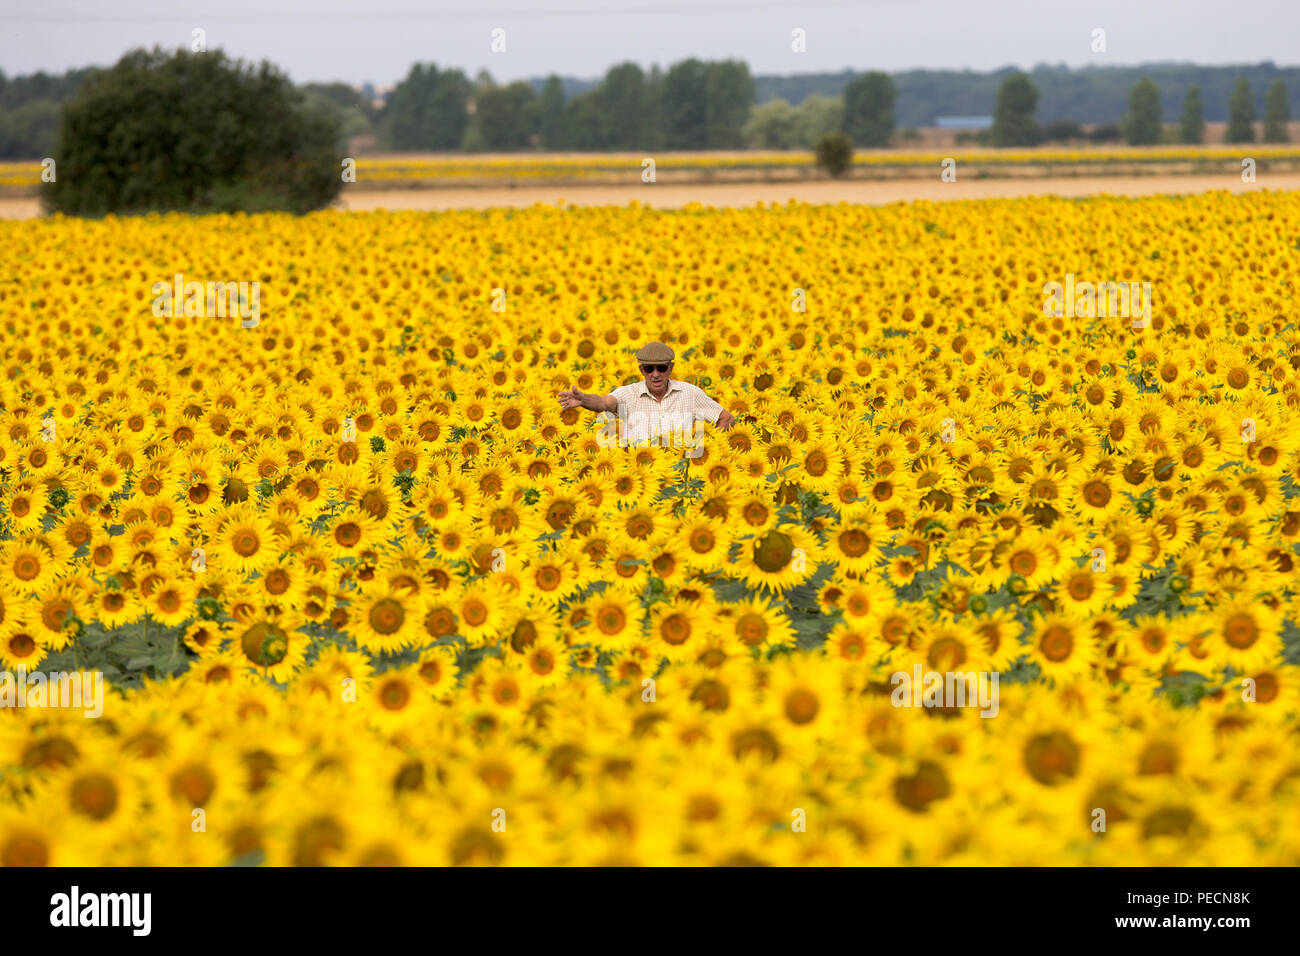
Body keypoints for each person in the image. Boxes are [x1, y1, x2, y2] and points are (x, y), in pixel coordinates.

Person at [556, 341, 735, 452]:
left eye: (661, 368)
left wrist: (708, 448)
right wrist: (584, 400)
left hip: (681, 472)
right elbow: (603, 403)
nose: (655, 374)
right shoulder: (628, 394)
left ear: (670, 369)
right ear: (642, 370)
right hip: (640, 472)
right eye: (649, 369)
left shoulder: (689, 393)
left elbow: (725, 418)